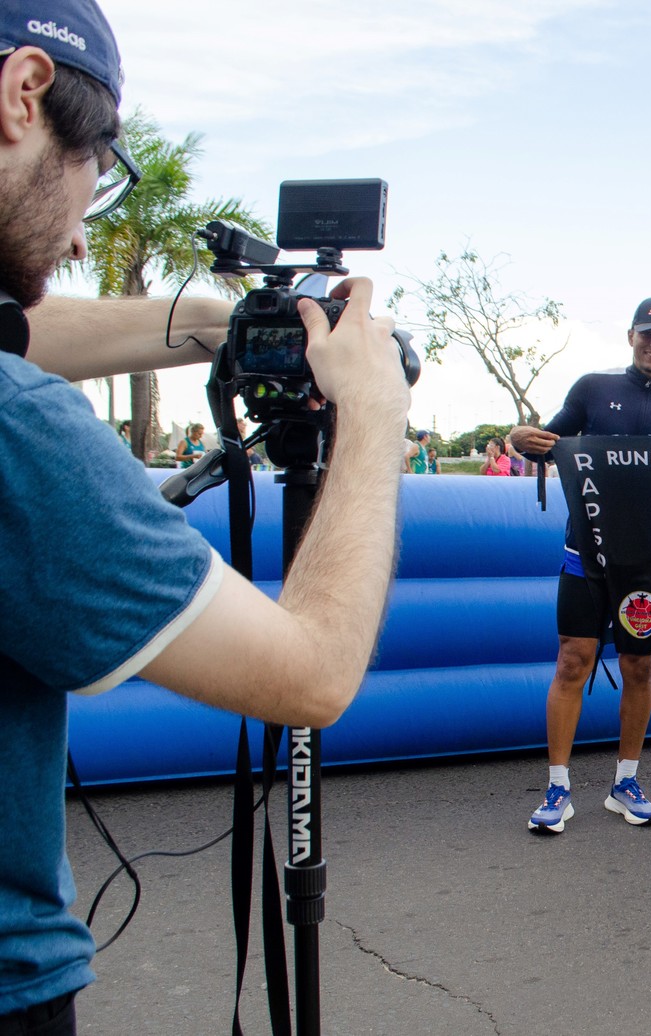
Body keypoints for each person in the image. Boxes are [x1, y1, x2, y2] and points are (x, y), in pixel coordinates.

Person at [0, 6, 412, 1031]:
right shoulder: (21, 432)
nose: (88, 227)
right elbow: (310, 673)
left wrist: (215, 326)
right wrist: (371, 419)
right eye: (95, 161)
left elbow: (23, 331)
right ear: (23, 93)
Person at [508, 296, 651, 833]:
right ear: (630, 336)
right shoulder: (592, 389)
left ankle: (625, 782)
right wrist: (518, 438)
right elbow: (545, 444)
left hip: (648, 564)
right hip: (586, 554)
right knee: (572, 662)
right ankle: (557, 788)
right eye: (647, 334)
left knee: (638, 667)